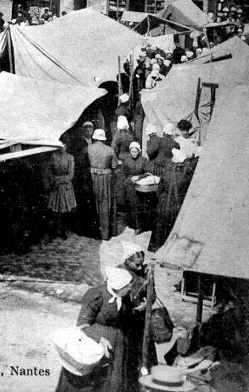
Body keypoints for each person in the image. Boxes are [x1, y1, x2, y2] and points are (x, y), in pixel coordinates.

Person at [55, 267, 135, 392]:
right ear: (119, 286)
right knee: (91, 380)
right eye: (128, 288)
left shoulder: (124, 297)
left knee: (113, 380)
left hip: (117, 344)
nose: (130, 291)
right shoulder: (96, 295)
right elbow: (82, 324)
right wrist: (99, 339)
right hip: (95, 341)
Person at [117, 243, 157, 390]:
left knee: (143, 355)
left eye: (141, 264)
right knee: (127, 357)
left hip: (140, 322)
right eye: (137, 264)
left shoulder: (144, 272)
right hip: (124, 321)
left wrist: (146, 304)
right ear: (127, 260)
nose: (140, 268)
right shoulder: (119, 272)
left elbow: (153, 295)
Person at [88, 129, 119, 240]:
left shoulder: (89, 149)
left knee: (94, 202)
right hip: (106, 179)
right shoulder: (109, 150)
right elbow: (115, 165)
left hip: (93, 178)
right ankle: (105, 233)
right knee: (105, 203)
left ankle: (94, 231)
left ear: (95, 137)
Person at [45, 142, 76, 240]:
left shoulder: (70, 157)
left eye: (64, 146)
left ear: (66, 147)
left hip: (65, 186)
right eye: (60, 146)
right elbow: (49, 171)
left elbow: (71, 174)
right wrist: (54, 180)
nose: (62, 148)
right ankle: (54, 231)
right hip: (55, 186)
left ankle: (63, 231)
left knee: (64, 210)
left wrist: (60, 181)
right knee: (54, 210)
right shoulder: (53, 156)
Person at [120, 142, 153, 233]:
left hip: (141, 186)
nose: (134, 153)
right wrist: (128, 180)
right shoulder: (126, 160)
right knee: (132, 205)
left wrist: (139, 177)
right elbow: (122, 174)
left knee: (140, 205)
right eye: (132, 151)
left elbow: (148, 172)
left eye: (135, 151)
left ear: (139, 151)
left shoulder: (143, 160)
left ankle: (140, 226)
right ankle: (133, 224)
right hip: (130, 185)